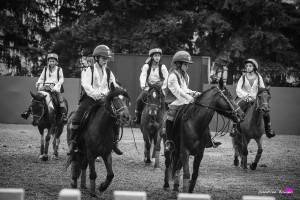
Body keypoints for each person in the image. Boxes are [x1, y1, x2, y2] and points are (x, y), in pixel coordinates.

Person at [67, 45, 123, 156]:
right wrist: (96, 94)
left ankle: (114, 142)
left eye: (107, 58)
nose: (106, 60)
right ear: (96, 58)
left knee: (115, 117)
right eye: (103, 58)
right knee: (77, 118)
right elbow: (86, 85)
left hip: (105, 100)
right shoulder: (89, 70)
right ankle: (73, 142)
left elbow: (114, 84)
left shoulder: (108, 72)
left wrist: (119, 91)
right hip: (90, 98)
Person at [164, 51, 221, 152]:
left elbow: (185, 89)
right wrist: (189, 98)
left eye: (187, 64)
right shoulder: (172, 76)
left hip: (184, 98)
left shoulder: (185, 76)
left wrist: (195, 93)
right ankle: (169, 140)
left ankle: (208, 138)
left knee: (200, 113)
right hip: (174, 100)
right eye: (185, 64)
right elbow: (177, 91)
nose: (187, 66)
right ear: (178, 64)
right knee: (171, 115)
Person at [230, 58, 275, 138]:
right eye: (247, 66)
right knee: (237, 109)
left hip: (256, 99)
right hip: (245, 99)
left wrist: (256, 97)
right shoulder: (243, 77)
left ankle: (269, 129)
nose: (248, 67)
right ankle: (234, 128)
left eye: (250, 66)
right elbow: (238, 88)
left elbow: (262, 89)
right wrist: (245, 95)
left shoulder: (259, 77)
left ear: (254, 67)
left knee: (265, 110)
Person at [21, 53, 68, 124]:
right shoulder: (45, 69)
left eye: (53, 61)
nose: (51, 62)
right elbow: (41, 78)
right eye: (50, 61)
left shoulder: (59, 69)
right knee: (35, 98)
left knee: (60, 99)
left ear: (56, 62)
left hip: (55, 88)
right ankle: (28, 111)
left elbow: (61, 80)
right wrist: (38, 83)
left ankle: (63, 115)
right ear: (48, 61)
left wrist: (56, 86)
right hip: (45, 88)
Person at [132, 48, 169, 124]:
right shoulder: (146, 66)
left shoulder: (163, 67)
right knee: (139, 100)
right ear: (152, 57)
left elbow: (167, 78)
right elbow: (143, 76)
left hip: (159, 88)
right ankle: (137, 116)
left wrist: (163, 87)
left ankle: (166, 119)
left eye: (159, 56)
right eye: (155, 56)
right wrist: (143, 85)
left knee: (166, 102)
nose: (157, 57)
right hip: (149, 87)